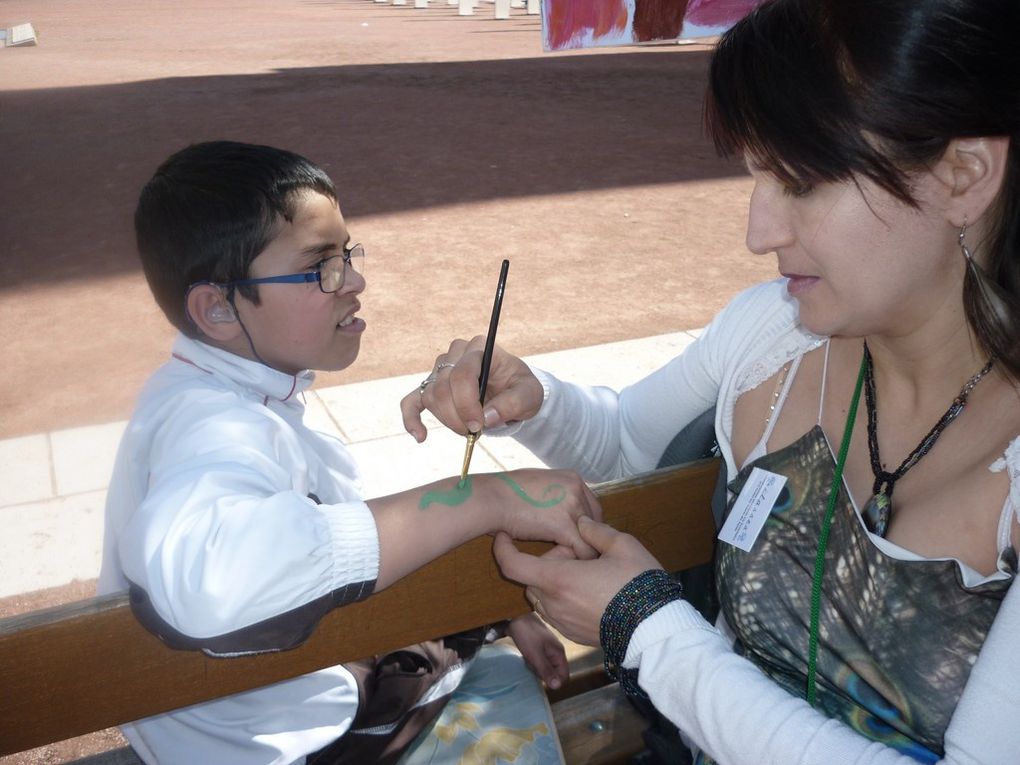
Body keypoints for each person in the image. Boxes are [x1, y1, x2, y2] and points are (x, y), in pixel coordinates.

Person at [401, 0, 1020, 762]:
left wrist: (649, 631)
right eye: (755, 176)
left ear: (965, 175)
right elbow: (629, 439)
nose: (758, 233)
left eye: (801, 182)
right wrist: (533, 399)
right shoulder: (773, 333)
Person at [97, 140, 602, 765]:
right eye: (320, 267)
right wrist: (486, 498)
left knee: (485, 641)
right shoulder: (206, 425)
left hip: (268, 711)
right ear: (219, 307)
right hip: (290, 741)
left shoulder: (221, 392)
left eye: (347, 255)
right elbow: (214, 580)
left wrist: (488, 609)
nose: (355, 281)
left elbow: (327, 555)